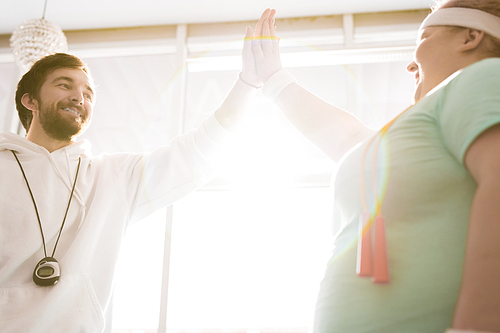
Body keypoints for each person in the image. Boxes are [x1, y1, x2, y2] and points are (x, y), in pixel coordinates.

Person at [246, 1, 500, 332]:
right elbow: (348, 138)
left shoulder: (481, 78)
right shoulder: (418, 132)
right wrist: (274, 81)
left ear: (470, 37)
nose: (411, 65)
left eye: (424, 37)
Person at [0, 20, 266, 331]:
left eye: (88, 93)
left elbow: (197, 154)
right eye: (64, 85)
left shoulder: (114, 175)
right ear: (29, 100)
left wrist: (248, 84)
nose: (79, 98)